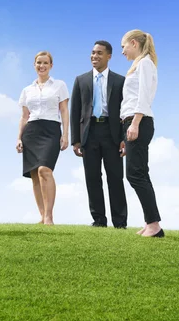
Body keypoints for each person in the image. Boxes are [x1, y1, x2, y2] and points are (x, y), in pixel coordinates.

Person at [70, 41, 128, 228]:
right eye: (93, 53)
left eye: (99, 53)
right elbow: (75, 111)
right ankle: (98, 220)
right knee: (92, 178)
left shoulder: (120, 81)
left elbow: (125, 111)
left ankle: (120, 221)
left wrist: (124, 139)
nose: (94, 56)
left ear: (109, 56)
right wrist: (76, 140)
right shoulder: (81, 80)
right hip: (89, 133)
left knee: (115, 177)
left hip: (112, 134)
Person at [119, 29, 164, 238]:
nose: (122, 51)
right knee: (139, 173)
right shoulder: (138, 64)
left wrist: (135, 123)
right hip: (131, 121)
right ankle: (150, 223)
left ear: (134, 43)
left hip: (139, 120)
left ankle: (154, 225)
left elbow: (144, 95)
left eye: (123, 46)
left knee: (135, 174)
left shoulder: (145, 63)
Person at [16, 51, 69, 225]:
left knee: (44, 170)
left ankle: (49, 216)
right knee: (34, 175)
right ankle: (42, 215)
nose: (42, 66)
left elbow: (64, 111)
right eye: (39, 62)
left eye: (45, 63)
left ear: (51, 65)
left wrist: (66, 135)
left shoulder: (59, 85)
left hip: (51, 130)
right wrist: (19, 138)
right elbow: (24, 116)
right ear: (34, 65)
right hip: (31, 132)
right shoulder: (27, 90)